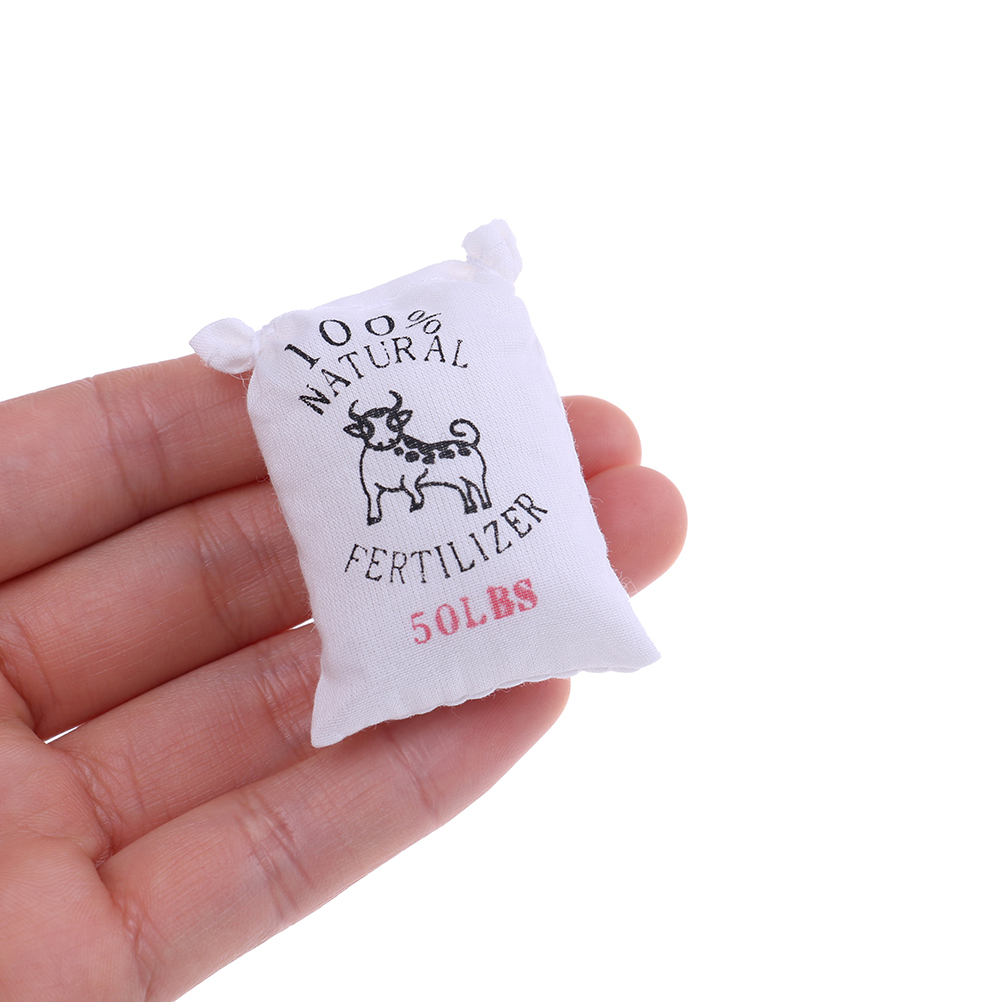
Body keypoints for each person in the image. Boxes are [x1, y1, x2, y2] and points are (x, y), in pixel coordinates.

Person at [0, 354, 686, 1001]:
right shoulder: (366, 458)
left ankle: (470, 489)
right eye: (373, 429)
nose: (378, 434)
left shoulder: (418, 447)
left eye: (383, 427)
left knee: (460, 477)